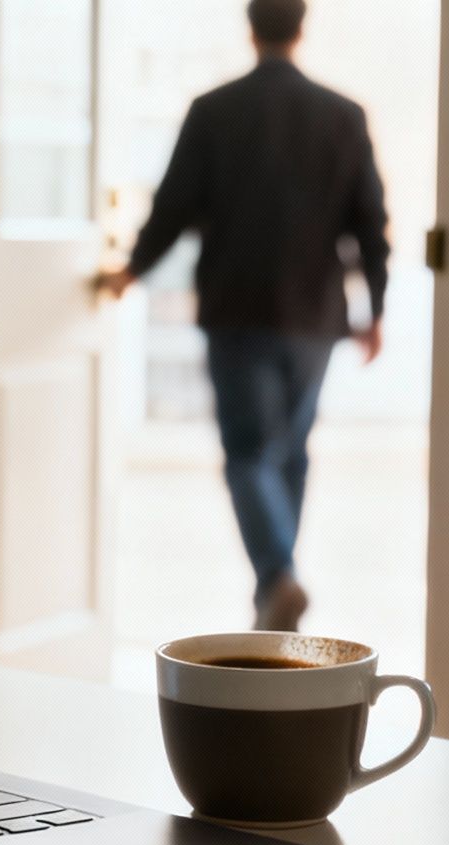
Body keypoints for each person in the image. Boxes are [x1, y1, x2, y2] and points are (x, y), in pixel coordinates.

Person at [98, 0, 389, 633]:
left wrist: (130, 271)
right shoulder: (344, 115)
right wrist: (377, 309)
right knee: (290, 450)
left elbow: (171, 207)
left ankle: (278, 577)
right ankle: (277, 587)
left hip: (237, 308)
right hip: (315, 314)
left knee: (249, 452)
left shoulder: (214, 111)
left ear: (250, 29)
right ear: (301, 28)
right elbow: (370, 224)